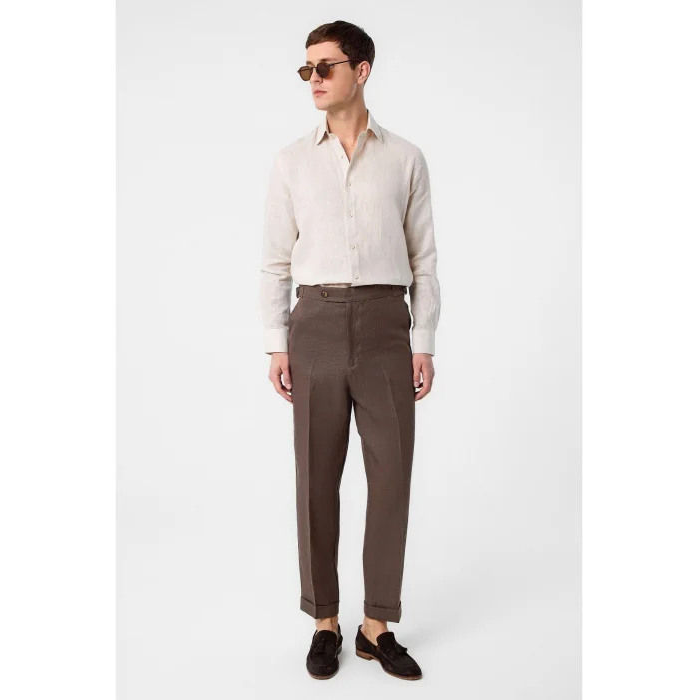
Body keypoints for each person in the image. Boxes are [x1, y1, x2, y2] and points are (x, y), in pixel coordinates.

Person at [258, 20, 440, 681]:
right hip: (315, 324)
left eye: (325, 66)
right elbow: (275, 260)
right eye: (306, 68)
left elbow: (424, 256)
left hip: (387, 325)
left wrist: (423, 339)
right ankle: (325, 622)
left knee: (392, 477)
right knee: (316, 479)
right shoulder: (291, 161)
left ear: (361, 71)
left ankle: (376, 626)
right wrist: (276, 343)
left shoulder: (405, 158)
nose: (313, 79)